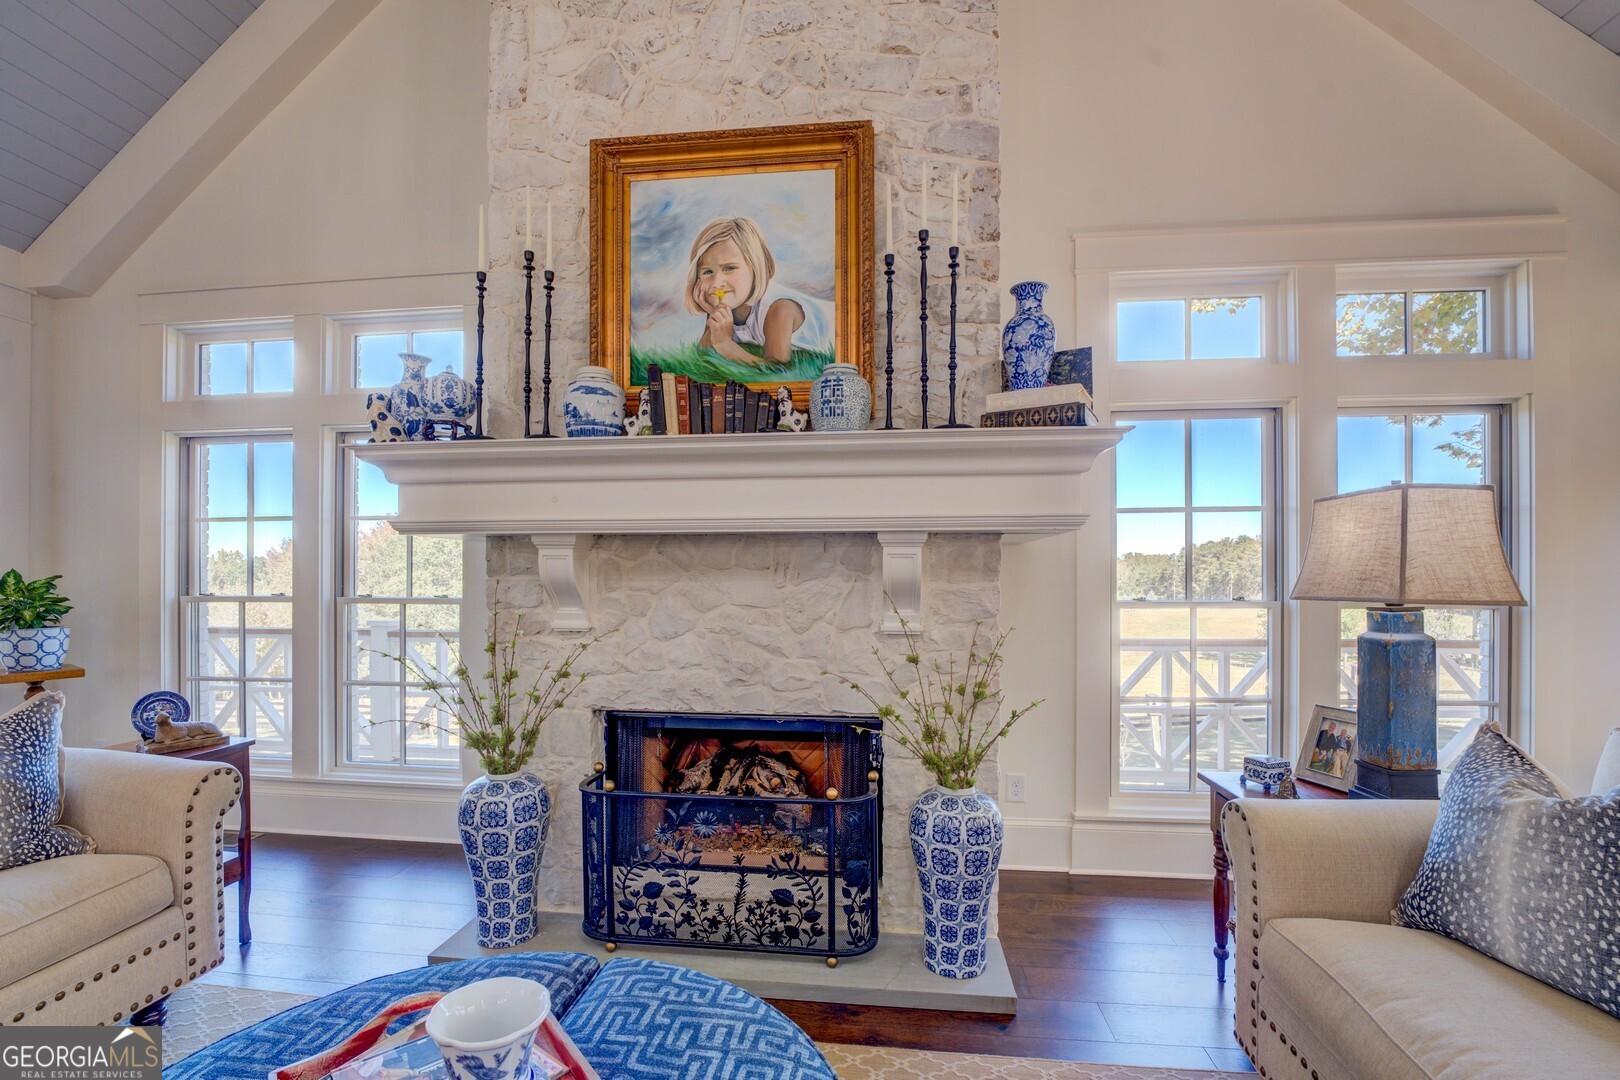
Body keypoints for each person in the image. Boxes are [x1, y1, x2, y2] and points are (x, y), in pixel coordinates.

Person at [684, 217, 834, 366]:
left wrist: (725, 344)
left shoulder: (780, 308)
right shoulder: (725, 304)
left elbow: (777, 368)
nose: (716, 283)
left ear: (756, 268)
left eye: (729, 268)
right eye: (707, 272)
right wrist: (713, 315)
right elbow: (702, 355)